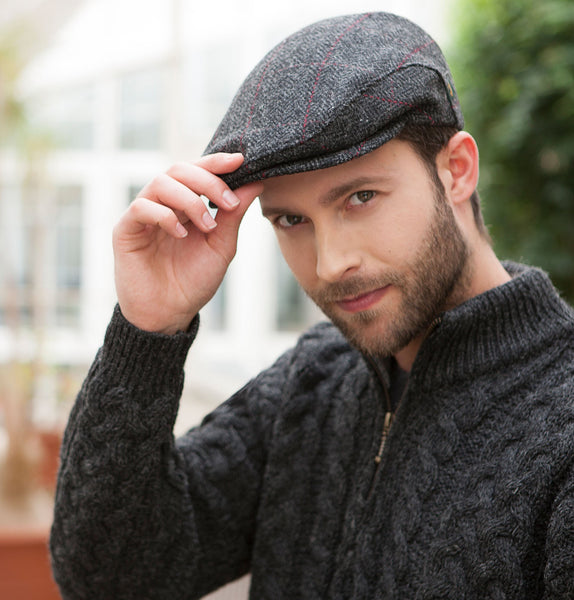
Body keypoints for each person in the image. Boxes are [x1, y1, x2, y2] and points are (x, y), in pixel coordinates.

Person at [50, 12, 574, 599]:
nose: (330, 264)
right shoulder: (311, 381)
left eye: (361, 197)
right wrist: (146, 332)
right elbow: (109, 577)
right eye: (292, 220)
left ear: (456, 170)